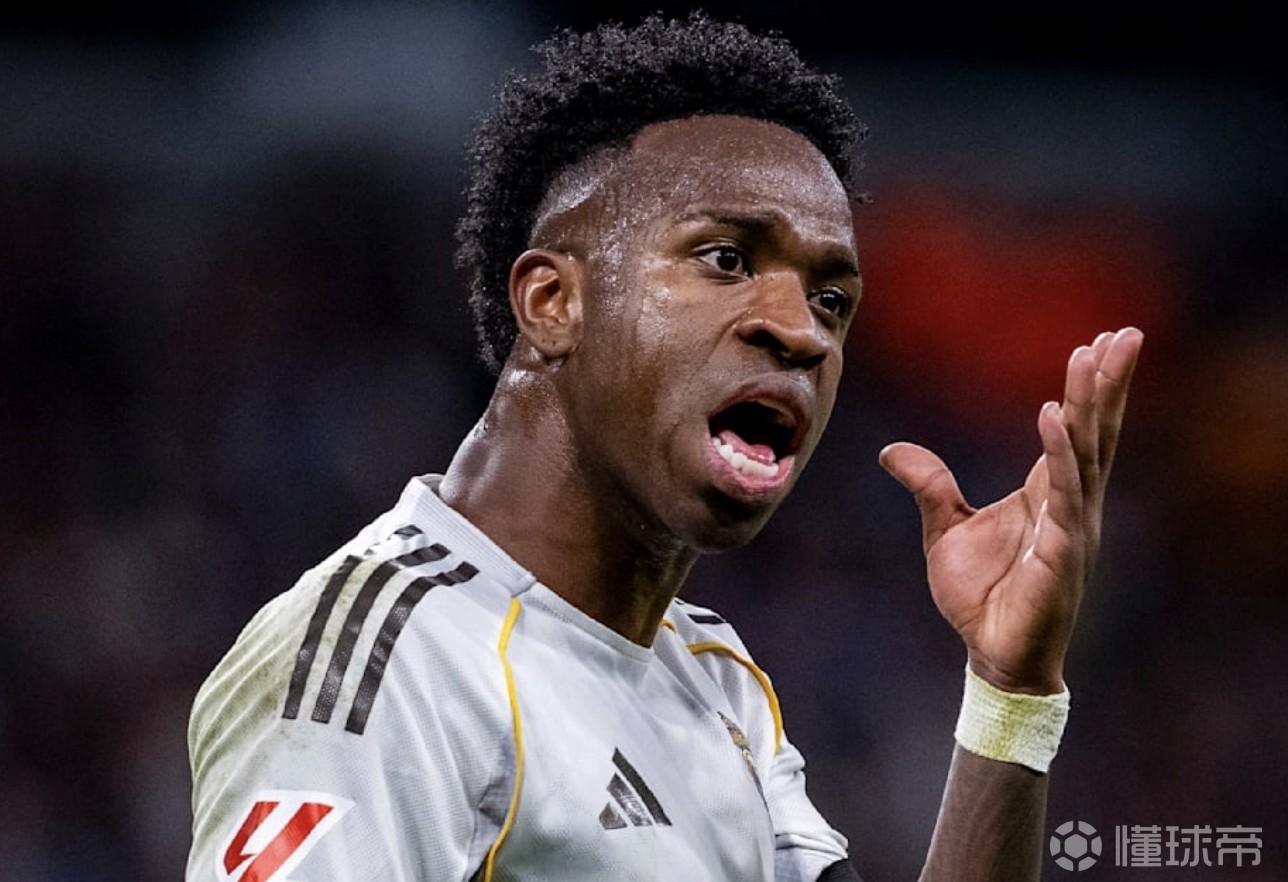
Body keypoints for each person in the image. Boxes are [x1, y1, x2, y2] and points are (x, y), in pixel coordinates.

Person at [186, 13, 1143, 882]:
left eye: (830, 300)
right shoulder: (389, 660)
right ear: (552, 302)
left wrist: (1010, 696)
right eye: (726, 259)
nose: (801, 332)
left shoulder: (714, 679)